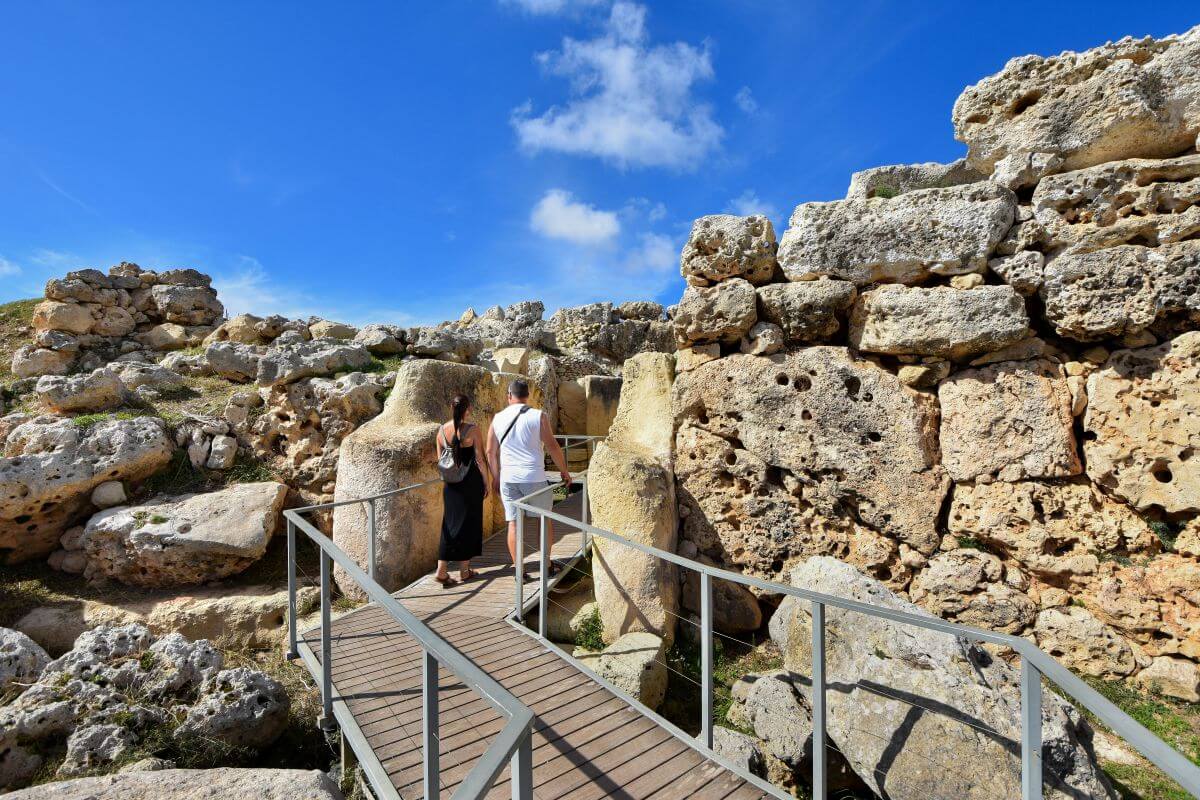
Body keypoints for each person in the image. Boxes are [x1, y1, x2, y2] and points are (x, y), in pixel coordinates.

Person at [487, 379, 571, 581]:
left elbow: (490, 451)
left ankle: (519, 571)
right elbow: (552, 445)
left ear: (509, 396)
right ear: (528, 396)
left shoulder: (497, 418)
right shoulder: (538, 415)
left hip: (508, 478)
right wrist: (564, 471)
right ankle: (547, 566)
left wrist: (496, 476)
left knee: (514, 524)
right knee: (544, 520)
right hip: (533, 476)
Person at [434, 394, 490, 586]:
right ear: (467, 410)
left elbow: (440, 460)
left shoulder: (441, 431)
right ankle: (464, 571)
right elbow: (480, 460)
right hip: (470, 482)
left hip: (450, 486)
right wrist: (487, 482)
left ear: (451, 407)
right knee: (469, 524)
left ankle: (441, 571)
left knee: (448, 525)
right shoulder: (472, 430)